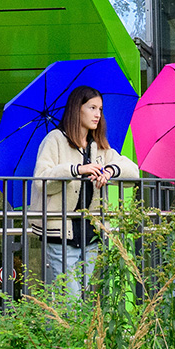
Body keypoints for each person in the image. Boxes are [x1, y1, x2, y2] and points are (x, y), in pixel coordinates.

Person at [29, 85, 138, 298]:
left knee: (82, 299)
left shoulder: (98, 146)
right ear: (77, 109)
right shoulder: (55, 140)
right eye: (92, 108)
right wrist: (76, 170)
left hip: (91, 235)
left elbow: (133, 172)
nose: (98, 114)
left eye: (100, 109)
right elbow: (42, 180)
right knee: (68, 301)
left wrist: (109, 171)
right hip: (60, 234)